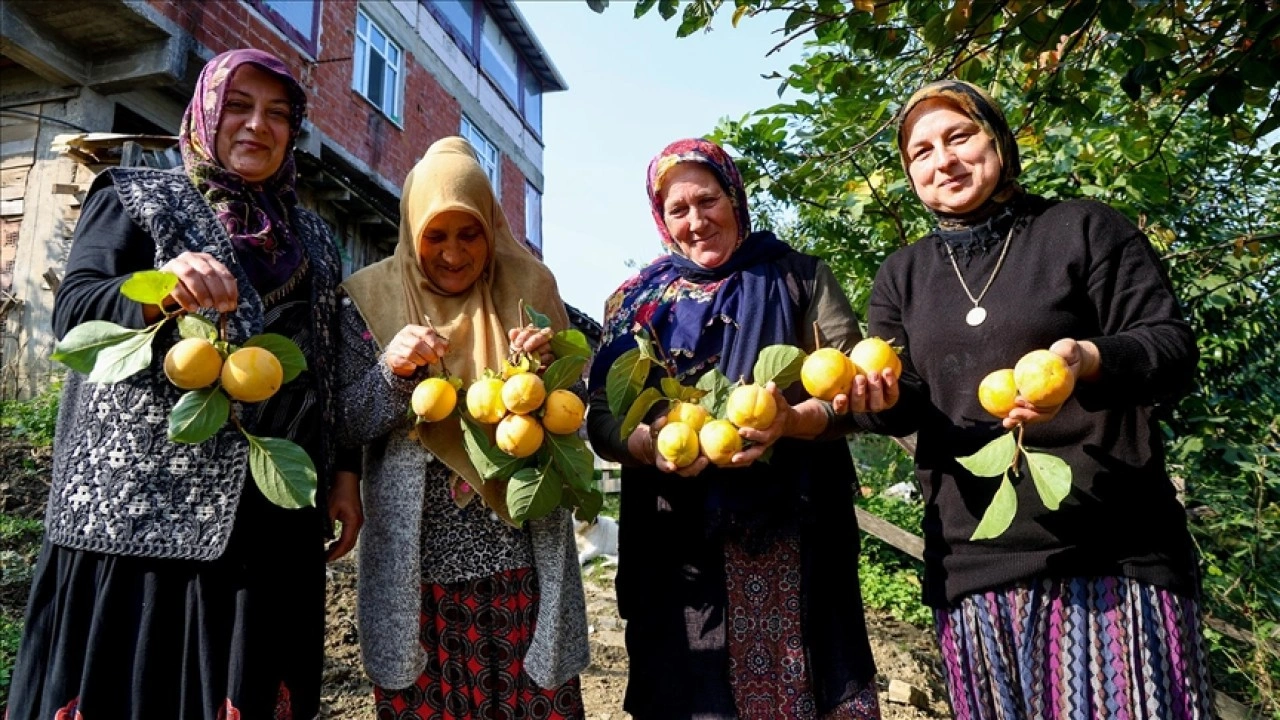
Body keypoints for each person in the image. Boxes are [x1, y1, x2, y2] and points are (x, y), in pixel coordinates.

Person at [7, 49, 361, 720]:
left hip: (270, 517)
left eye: (278, 114)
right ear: (204, 112)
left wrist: (344, 472)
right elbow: (76, 312)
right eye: (238, 106)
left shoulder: (313, 236)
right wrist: (162, 290)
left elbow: (329, 364)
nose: (257, 125)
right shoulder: (136, 195)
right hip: (138, 513)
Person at [862, 79, 1212, 718]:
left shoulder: (1082, 228)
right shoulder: (902, 275)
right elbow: (904, 404)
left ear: (998, 140)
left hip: (1109, 552)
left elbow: (1170, 348)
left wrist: (1086, 360)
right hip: (973, 565)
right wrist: (875, 398)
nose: (944, 161)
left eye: (960, 136)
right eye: (921, 152)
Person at [585, 137, 896, 720]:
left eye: (708, 201)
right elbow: (600, 415)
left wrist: (791, 421)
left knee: (796, 686)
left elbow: (851, 393)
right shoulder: (634, 303)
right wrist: (645, 444)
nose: (696, 221)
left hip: (788, 532)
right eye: (678, 209)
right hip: (674, 546)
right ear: (661, 219)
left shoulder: (798, 278)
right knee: (686, 695)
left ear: (734, 197)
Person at [336, 136, 588, 718]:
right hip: (415, 579)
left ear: (491, 229)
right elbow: (347, 423)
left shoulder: (531, 291)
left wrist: (547, 375)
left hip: (522, 568)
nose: (453, 253)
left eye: (469, 233)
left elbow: (572, 415)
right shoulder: (367, 299)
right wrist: (391, 371)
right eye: (436, 235)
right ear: (411, 230)